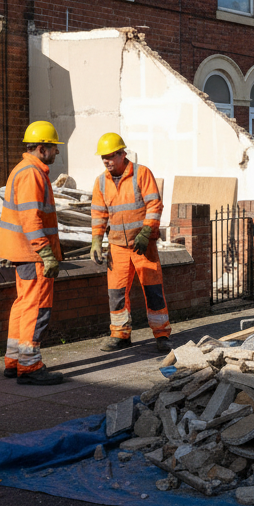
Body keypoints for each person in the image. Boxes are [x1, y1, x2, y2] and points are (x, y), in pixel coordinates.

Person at [0, 122, 65, 385]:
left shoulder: (25, 170)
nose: (56, 152)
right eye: (53, 147)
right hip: (33, 253)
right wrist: (46, 253)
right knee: (37, 307)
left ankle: (14, 361)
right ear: (41, 148)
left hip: (24, 252)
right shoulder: (32, 174)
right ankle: (30, 366)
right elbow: (31, 219)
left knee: (23, 305)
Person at [90, 133, 172, 354]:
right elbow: (99, 214)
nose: (106, 161)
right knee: (116, 293)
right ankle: (120, 334)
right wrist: (96, 241)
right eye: (103, 158)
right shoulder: (101, 182)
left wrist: (147, 232)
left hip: (142, 245)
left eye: (110, 157)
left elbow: (154, 205)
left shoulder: (141, 173)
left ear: (122, 154)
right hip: (117, 246)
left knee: (153, 290)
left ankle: (162, 334)